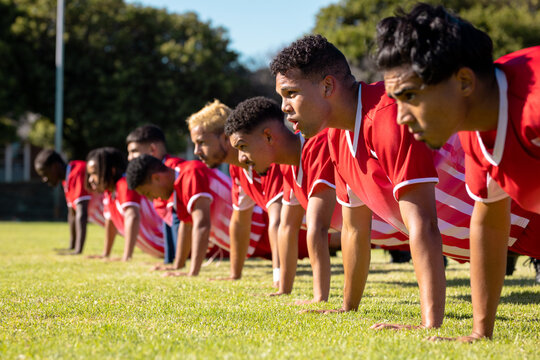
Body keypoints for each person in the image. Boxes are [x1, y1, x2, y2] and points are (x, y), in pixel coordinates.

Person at [270, 34, 540, 329]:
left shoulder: (387, 115)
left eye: (291, 93)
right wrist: (348, 307)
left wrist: (429, 325)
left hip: (525, 216)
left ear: (326, 86)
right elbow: (354, 229)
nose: (284, 106)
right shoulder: (336, 135)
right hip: (513, 232)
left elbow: (423, 223)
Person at [374, 3, 540, 340]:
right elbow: (490, 225)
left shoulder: (534, 105)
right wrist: (481, 333)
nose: (401, 116)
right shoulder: (476, 130)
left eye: (410, 96)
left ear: (464, 80)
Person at [225, 96, 346, 303]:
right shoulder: (288, 164)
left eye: (243, 147)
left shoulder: (316, 144)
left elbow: (318, 228)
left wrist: (319, 299)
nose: (241, 159)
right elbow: (287, 227)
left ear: (268, 137)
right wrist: (283, 288)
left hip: (396, 228)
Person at [186, 100, 284, 286]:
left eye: (202, 142)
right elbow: (240, 222)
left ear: (225, 138)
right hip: (290, 231)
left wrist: (278, 278)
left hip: (299, 231)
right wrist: (235, 274)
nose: (197, 151)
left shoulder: (268, 161)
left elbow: (280, 223)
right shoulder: (237, 169)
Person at [125, 154, 270, 277]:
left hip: (262, 228)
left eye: (148, 193)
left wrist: (193, 272)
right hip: (252, 240)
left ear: (157, 178)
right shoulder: (178, 182)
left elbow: (202, 225)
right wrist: (178, 265)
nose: (151, 199)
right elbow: (186, 224)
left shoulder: (190, 173)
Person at [86, 147, 165, 261]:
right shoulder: (110, 192)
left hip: (168, 244)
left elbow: (132, 216)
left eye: (94, 174)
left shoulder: (124, 184)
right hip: (161, 250)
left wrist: (126, 256)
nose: (90, 179)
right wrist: (105, 253)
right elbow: (110, 221)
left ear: (112, 171)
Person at [126, 124, 184, 267]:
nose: (129, 157)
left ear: (152, 149)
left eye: (134, 151)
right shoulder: (157, 174)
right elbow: (168, 219)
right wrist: (168, 260)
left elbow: (179, 218)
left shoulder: (171, 170)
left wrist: (177, 262)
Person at [34, 149, 104, 254]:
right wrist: (71, 246)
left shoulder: (77, 171)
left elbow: (82, 213)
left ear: (55, 167)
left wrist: (78, 250)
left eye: (45, 173)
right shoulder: (66, 178)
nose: (45, 179)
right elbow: (72, 214)